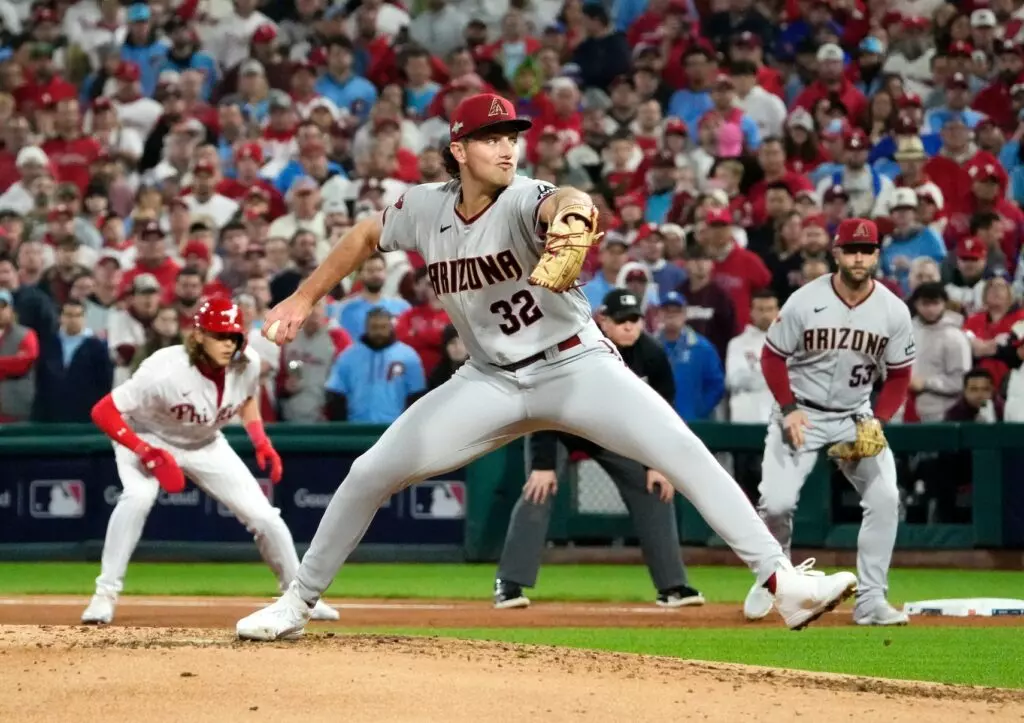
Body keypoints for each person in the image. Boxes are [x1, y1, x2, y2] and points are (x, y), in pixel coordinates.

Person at [235, 93, 857, 641]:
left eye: (512, 138)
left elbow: (563, 200)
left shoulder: (523, 198)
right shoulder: (426, 209)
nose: (507, 149)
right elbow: (368, 235)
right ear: (458, 147)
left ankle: (782, 582)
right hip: (490, 380)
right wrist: (302, 297)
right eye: (490, 138)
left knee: (680, 450)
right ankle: (298, 601)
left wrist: (573, 215)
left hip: (575, 366)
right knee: (371, 470)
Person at [80, 298, 340, 625]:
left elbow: (246, 400)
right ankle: (104, 595)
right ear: (199, 335)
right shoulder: (163, 369)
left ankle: (301, 598)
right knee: (137, 498)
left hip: (206, 442)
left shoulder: (246, 363)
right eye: (219, 335)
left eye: (233, 336)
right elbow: (103, 410)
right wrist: (144, 451)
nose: (228, 344)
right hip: (147, 436)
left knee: (266, 518)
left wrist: (261, 440)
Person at [746, 219, 915, 627]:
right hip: (801, 410)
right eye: (852, 249)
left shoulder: (893, 310)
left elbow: (899, 375)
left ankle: (871, 600)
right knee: (777, 503)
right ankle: (775, 575)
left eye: (867, 250)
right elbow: (772, 357)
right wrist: (788, 408)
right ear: (836, 253)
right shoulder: (805, 300)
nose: (859, 257)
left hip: (855, 415)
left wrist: (881, 419)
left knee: (885, 499)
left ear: (877, 255)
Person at [494, 289, 703, 610]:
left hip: (611, 431)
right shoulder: (576, 348)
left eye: (634, 320)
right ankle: (509, 584)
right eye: (621, 321)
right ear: (603, 321)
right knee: (538, 490)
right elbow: (543, 403)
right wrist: (543, 463)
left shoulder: (651, 353)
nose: (629, 327)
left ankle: (673, 586)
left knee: (656, 489)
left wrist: (658, 464)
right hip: (559, 426)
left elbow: (664, 413)